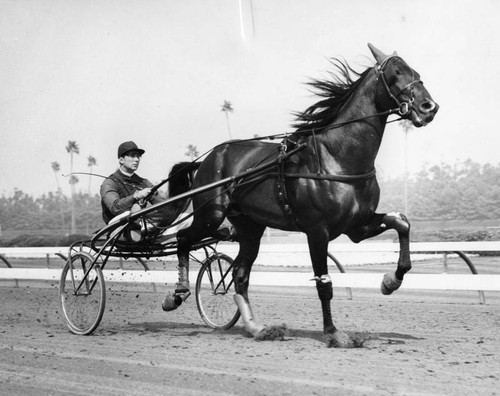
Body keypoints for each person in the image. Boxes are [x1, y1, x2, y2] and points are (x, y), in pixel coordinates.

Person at [100, 141, 173, 234]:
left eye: (138, 156)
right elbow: (115, 208)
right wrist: (136, 196)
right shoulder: (109, 183)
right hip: (117, 226)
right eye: (132, 156)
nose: (137, 159)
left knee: (180, 217)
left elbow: (162, 205)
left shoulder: (144, 182)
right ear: (121, 160)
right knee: (134, 211)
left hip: (141, 221)